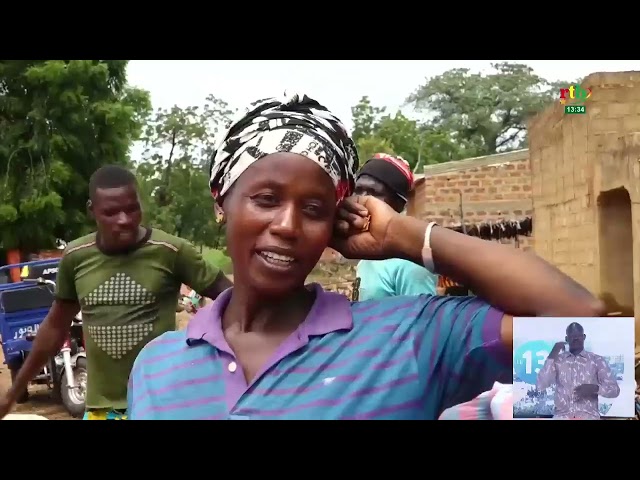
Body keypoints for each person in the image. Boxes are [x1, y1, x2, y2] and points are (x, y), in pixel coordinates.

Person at [126, 91, 604, 420]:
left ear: (336, 222)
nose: (288, 226)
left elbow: (589, 329)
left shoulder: (410, 337)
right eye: (266, 199)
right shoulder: (157, 367)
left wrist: (401, 233)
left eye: (314, 209)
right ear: (220, 202)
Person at [0, 165, 232, 420]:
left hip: (164, 403)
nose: (124, 219)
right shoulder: (76, 257)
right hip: (103, 409)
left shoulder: (170, 250)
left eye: (132, 209)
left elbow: (232, 298)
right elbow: (55, 327)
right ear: (92, 210)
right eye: (111, 212)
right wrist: (15, 392)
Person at [353, 154, 437, 300]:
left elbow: (422, 320)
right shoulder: (367, 253)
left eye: (374, 193)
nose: (362, 200)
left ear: (399, 204)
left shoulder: (411, 264)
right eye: (358, 190)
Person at [536, 322, 620, 420]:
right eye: (572, 336)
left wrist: (595, 388)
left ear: (584, 337)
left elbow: (615, 390)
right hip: (562, 416)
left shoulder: (597, 360)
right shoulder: (557, 361)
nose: (575, 338)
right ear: (566, 339)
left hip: (589, 416)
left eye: (578, 335)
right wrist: (553, 353)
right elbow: (541, 385)